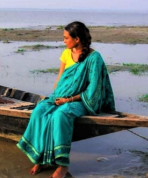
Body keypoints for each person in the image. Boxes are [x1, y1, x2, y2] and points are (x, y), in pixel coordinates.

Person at [17, 21, 115, 178]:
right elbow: (60, 78)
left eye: (65, 38)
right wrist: (55, 97)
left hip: (82, 100)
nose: (63, 41)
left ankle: (62, 165)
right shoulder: (65, 53)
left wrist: (68, 100)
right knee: (40, 111)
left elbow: (93, 89)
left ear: (76, 39)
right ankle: (40, 158)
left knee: (60, 115)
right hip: (60, 96)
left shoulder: (94, 58)